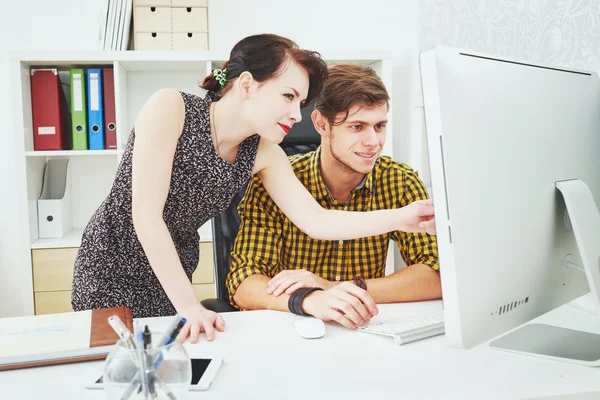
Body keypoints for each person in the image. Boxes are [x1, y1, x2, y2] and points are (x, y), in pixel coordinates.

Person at [71, 34, 436, 344]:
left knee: (163, 365)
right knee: (112, 365)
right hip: (111, 260)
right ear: (246, 85)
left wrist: (402, 218)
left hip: (173, 268)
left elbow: (318, 220)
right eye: (289, 96)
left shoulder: (263, 152)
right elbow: (146, 217)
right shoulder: (171, 106)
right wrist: (190, 306)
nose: (298, 114)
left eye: (302, 103)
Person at [227, 64, 441, 329]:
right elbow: (243, 283)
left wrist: (337, 288)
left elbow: (437, 274)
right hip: (295, 330)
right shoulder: (279, 181)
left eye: (380, 126)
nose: (373, 141)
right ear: (321, 123)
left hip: (365, 330)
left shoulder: (399, 181)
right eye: (357, 126)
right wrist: (312, 298)